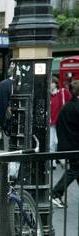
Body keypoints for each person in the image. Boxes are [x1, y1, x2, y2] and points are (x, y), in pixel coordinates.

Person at [51, 80, 79, 209]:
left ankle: (56, 194)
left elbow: (59, 126)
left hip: (69, 145)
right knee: (74, 170)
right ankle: (56, 194)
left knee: (76, 170)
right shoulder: (76, 107)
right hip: (75, 146)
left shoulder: (66, 107)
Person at [51, 78, 71, 154]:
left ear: (56, 83)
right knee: (52, 143)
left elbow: (70, 102)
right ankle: (52, 163)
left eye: (52, 82)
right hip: (52, 122)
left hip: (62, 121)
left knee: (59, 141)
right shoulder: (47, 94)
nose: (51, 84)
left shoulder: (63, 92)